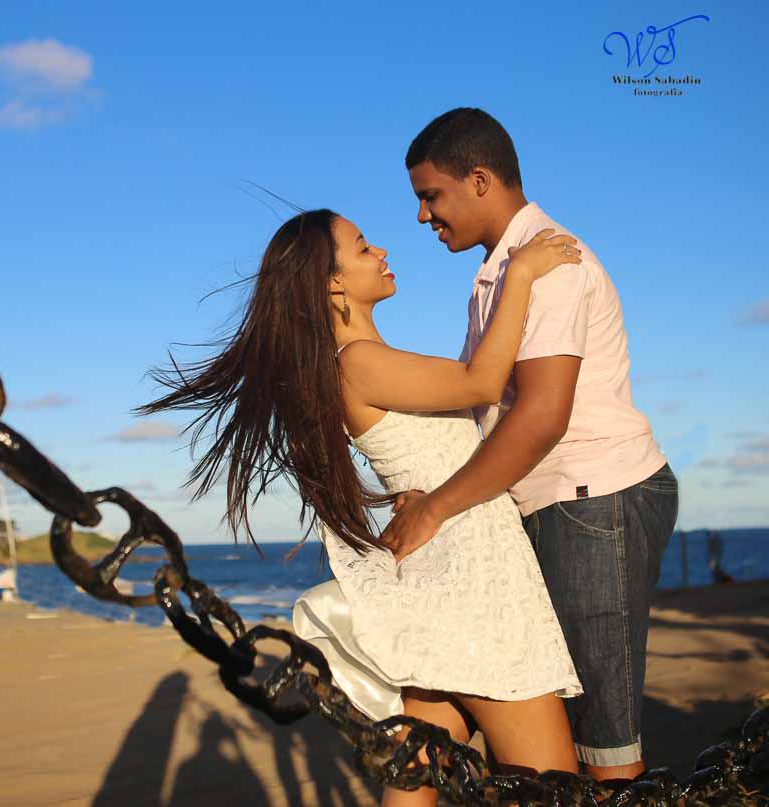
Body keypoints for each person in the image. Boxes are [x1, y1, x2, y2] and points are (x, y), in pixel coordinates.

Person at [139, 209, 583, 806]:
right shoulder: (358, 362)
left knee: (417, 773)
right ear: (332, 283)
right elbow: (483, 381)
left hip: (446, 568)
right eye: (362, 246)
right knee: (552, 784)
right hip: (473, 576)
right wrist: (522, 274)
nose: (381, 251)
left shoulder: (362, 360)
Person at [385, 107, 679, 782]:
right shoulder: (501, 273)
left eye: (430, 196)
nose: (423, 216)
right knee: (541, 725)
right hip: (552, 504)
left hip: (592, 499)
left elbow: (543, 416)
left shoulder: (552, 261)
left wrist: (436, 509)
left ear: (480, 180)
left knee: (605, 745)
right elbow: (479, 402)